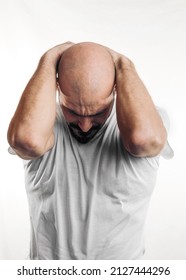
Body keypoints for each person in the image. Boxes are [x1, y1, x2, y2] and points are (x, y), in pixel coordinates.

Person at [7, 41, 173, 260]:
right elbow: (27, 140)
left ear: (116, 88)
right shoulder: (44, 124)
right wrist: (48, 60)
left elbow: (143, 140)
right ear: (57, 89)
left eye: (98, 112)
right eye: (73, 111)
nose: (85, 125)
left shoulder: (150, 121)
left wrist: (125, 66)